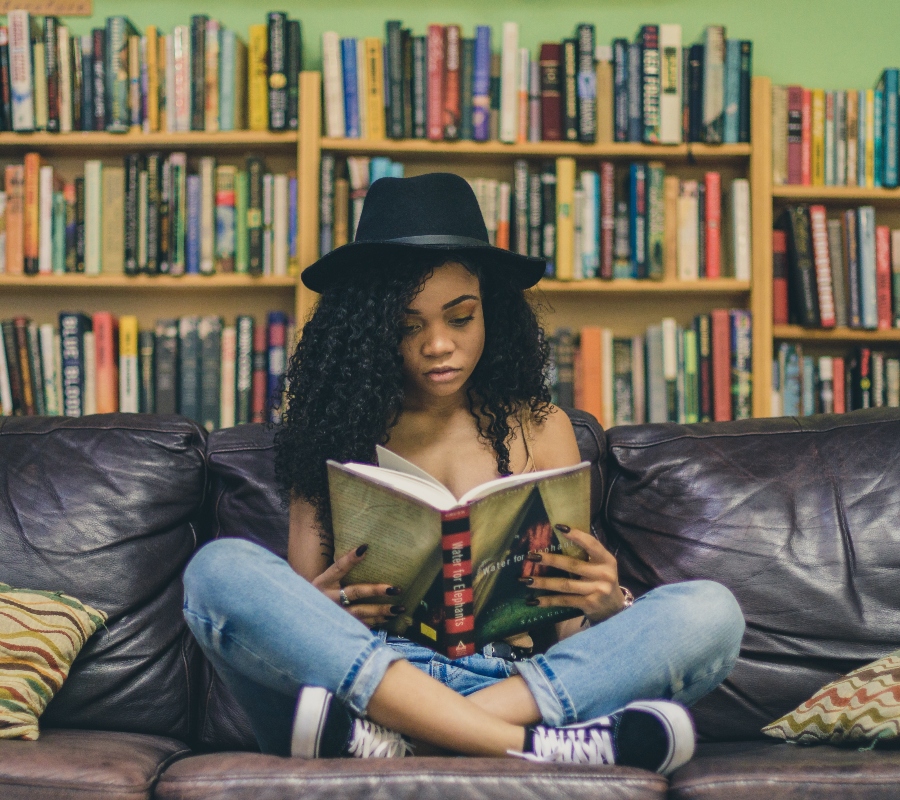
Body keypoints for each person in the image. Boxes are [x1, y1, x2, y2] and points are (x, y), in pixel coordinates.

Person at [182, 173, 745, 772]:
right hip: (368, 682)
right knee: (218, 573)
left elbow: (568, 636)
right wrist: (320, 608)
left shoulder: (542, 427)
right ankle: (533, 749)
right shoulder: (327, 432)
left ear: (491, 314)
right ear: (371, 330)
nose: (437, 345)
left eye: (460, 317)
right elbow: (298, 628)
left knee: (712, 612)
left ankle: (421, 740)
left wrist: (608, 605)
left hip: (514, 682)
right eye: (408, 325)